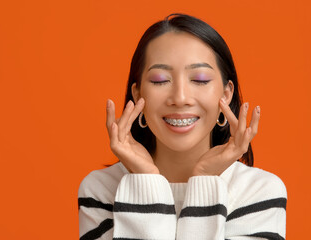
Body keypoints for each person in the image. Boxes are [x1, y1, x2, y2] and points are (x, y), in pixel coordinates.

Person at [78, 13, 287, 240]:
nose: (180, 97)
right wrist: (146, 180)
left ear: (226, 95)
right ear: (137, 94)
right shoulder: (100, 190)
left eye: (199, 79)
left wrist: (205, 179)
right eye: (160, 80)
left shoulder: (260, 192)